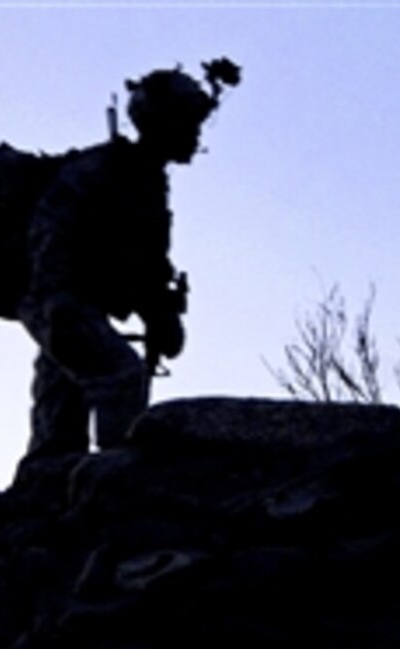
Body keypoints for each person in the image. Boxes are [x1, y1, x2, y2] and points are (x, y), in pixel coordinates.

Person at [17, 59, 239, 466]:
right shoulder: (113, 173)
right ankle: (116, 479)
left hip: (66, 302)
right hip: (58, 299)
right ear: (163, 123)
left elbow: (141, 263)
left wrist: (159, 314)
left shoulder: (140, 178)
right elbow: (65, 238)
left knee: (60, 418)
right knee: (121, 376)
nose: (196, 134)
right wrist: (154, 313)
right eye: (188, 123)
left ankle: (49, 495)